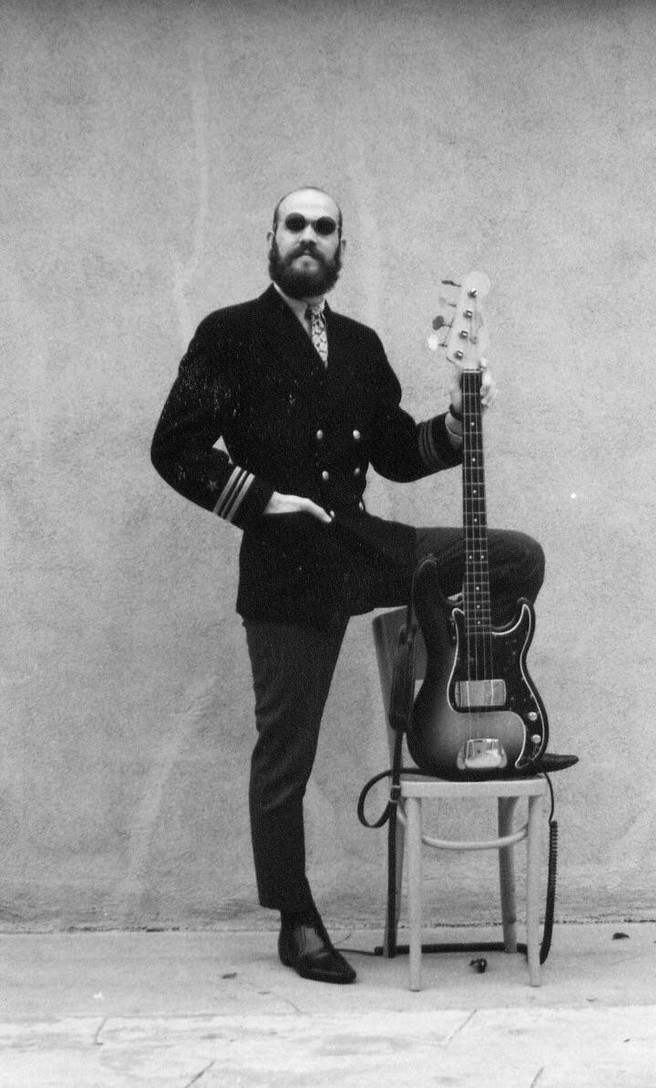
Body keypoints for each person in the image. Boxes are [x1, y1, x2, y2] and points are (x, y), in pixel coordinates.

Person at [151, 186, 547, 986]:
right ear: (272, 239)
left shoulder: (361, 345)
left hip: (363, 546)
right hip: (286, 563)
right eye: (294, 225)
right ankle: (295, 919)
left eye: (323, 227)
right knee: (285, 755)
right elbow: (175, 447)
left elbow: (396, 452)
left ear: (341, 248)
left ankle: (440, 684)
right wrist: (262, 501)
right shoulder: (230, 334)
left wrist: (456, 426)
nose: (309, 237)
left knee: (515, 556)